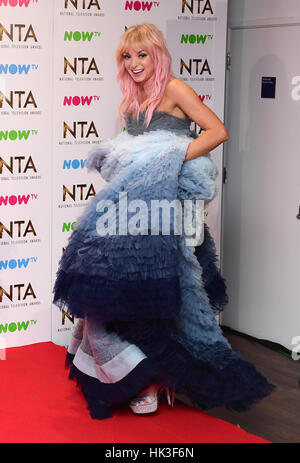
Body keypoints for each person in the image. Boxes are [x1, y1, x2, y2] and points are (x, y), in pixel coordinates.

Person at [53, 23, 275, 419]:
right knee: (125, 293)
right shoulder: (129, 99)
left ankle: (155, 381)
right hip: (138, 212)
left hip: (171, 210)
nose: (135, 63)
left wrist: (169, 155)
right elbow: (132, 159)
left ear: (157, 55)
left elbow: (217, 131)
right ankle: (134, 376)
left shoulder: (175, 89)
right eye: (127, 56)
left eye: (142, 55)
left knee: (161, 297)